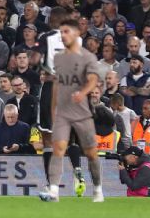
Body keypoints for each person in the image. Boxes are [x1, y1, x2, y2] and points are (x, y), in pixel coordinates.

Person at [38, 18, 105, 203]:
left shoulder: (87, 57)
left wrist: (82, 93)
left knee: (91, 152)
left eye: (66, 32)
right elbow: (57, 86)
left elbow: (92, 80)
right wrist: (53, 111)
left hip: (81, 109)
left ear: (77, 34)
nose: (63, 36)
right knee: (58, 148)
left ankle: (98, 189)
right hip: (63, 110)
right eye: (61, 33)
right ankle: (53, 190)